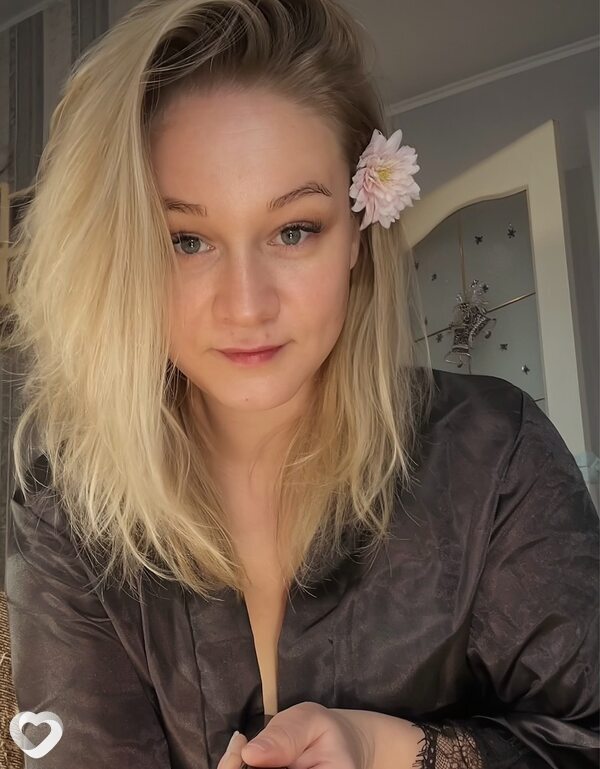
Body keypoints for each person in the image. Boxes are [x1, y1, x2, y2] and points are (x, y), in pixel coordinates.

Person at [2, 0, 598, 767]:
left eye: (294, 230)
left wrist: (387, 748)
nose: (247, 305)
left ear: (356, 235)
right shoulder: (67, 516)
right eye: (185, 240)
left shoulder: (496, 457)